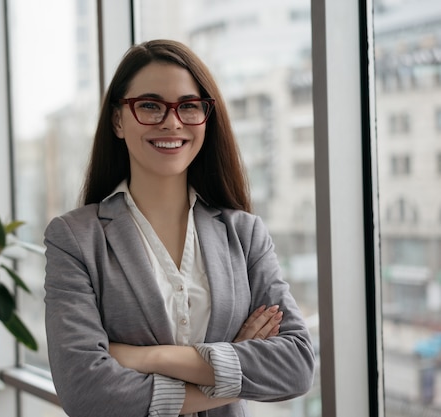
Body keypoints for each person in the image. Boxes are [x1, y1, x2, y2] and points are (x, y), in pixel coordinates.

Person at [43, 39, 315, 417]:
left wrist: (148, 357)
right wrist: (234, 371)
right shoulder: (74, 239)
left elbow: (297, 366)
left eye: (188, 106)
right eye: (150, 105)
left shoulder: (245, 234)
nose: (172, 122)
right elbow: (86, 392)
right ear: (118, 120)